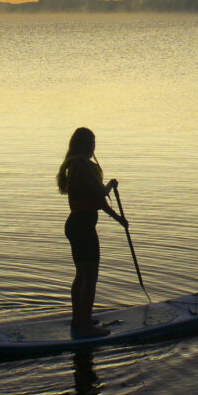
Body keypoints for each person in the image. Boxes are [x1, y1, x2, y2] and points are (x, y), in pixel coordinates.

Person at [57, 127, 127, 335]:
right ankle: (85, 326)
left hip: (78, 225)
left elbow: (97, 201)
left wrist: (119, 219)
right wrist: (110, 185)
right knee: (90, 277)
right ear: (86, 145)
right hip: (82, 227)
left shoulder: (77, 166)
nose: (94, 148)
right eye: (92, 144)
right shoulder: (81, 167)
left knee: (81, 276)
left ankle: (79, 320)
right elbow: (100, 193)